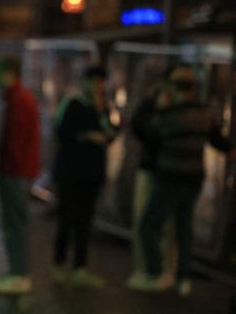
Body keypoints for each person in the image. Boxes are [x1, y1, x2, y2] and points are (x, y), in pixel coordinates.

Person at [134, 65, 235, 296]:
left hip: (170, 176)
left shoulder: (170, 114)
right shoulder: (203, 112)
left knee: (149, 223)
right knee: (183, 227)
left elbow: (148, 133)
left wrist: (159, 109)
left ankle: (155, 272)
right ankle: (183, 278)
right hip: (194, 177)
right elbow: (218, 139)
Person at [51, 65, 118, 288]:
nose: (98, 86)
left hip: (92, 175)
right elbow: (61, 133)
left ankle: (81, 268)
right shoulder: (72, 103)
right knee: (66, 220)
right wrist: (86, 136)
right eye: (95, 81)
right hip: (71, 173)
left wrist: (101, 115)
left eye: (101, 82)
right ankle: (59, 263)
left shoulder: (103, 108)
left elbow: (111, 133)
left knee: (85, 223)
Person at [0, 56, 41, 295]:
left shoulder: (18, 100)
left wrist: (4, 168)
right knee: (16, 223)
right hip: (18, 171)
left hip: (14, 172)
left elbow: (15, 143)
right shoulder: (21, 98)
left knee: (15, 224)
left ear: (8, 73)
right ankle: (18, 272)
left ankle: (19, 273)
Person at [126, 86, 178, 289]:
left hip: (171, 174)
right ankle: (146, 269)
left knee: (165, 225)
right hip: (152, 170)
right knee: (144, 221)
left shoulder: (180, 110)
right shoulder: (150, 107)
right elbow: (141, 129)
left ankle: (162, 271)